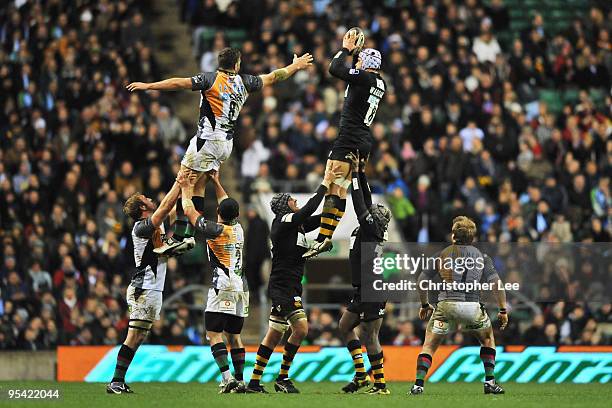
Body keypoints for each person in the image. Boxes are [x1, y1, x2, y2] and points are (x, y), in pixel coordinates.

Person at [127, 47, 313, 255]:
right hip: (225, 146)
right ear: (236, 65)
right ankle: (185, 235)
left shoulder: (210, 79)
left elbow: (178, 83)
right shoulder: (245, 82)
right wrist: (295, 66)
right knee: (198, 186)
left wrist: (149, 86)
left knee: (183, 181)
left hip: (206, 140)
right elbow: (274, 77)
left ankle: (183, 235)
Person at [246, 168, 342, 393]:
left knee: (274, 334)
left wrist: (336, 203)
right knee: (300, 329)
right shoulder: (282, 222)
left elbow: (318, 218)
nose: (295, 200)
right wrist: (324, 184)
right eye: (291, 199)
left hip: (291, 284)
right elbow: (308, 210)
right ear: (283, 206)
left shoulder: (295, 225)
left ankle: (253, 382)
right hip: (283, 287)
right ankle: (283, 377)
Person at [304, 29, 386, 258]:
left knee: (332, 186)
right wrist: (357, 52)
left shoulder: (365, 78)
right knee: (340, 189)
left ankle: (323, 237)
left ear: (366, 64)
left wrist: (345, 49)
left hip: (348, 140)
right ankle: (324, 237)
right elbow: (356, 69)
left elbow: (334, 68)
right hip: (362, 139)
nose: (356, 62)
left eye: (360, 60)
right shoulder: (378, 82)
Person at [410, 216, 508, 395]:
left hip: (446, 305)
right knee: (487, 340)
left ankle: (418, 385)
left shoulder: (441, 254)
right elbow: (497, 284)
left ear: (453, 236)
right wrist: (502, 309)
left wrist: (425, 304)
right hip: (472, 307)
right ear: (473, 238)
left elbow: (421, 281)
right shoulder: (482, 257)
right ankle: (490, 382)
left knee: (429, 345)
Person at [106, 172, 183, 394]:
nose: (150, 198)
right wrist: (179, 182)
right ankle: (115, 381)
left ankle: (118, 380)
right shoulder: (141, 227)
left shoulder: (154, 225)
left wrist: (184, 192)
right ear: (142, 208)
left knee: (139, 337)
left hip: (153, 288)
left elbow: (170, 210)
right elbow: (166, 206)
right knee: (133, 336)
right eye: (146, 198)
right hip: (144, 288)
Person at [178, 170, 248, 393]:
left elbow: (189, 211)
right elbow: (226, 204)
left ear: (218, 211)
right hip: (241, 287)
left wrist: (185, 188)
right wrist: (216, 181)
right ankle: (240, 380)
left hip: (223, 285)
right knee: (235, 336)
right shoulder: (238, 229)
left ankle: (227, 379)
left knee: (214, 334)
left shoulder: (214, 231)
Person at [338, 152, 392, 395]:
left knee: (370, 335)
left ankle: (380, 384)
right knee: (345, 325)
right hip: (364, 288)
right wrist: (360, 170)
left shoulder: (371, 229)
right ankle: (361, 375)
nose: (373, 211)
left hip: (373, 289)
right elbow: (367, 201)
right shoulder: (371, 228)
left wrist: (354, 179)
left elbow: (360, 202)